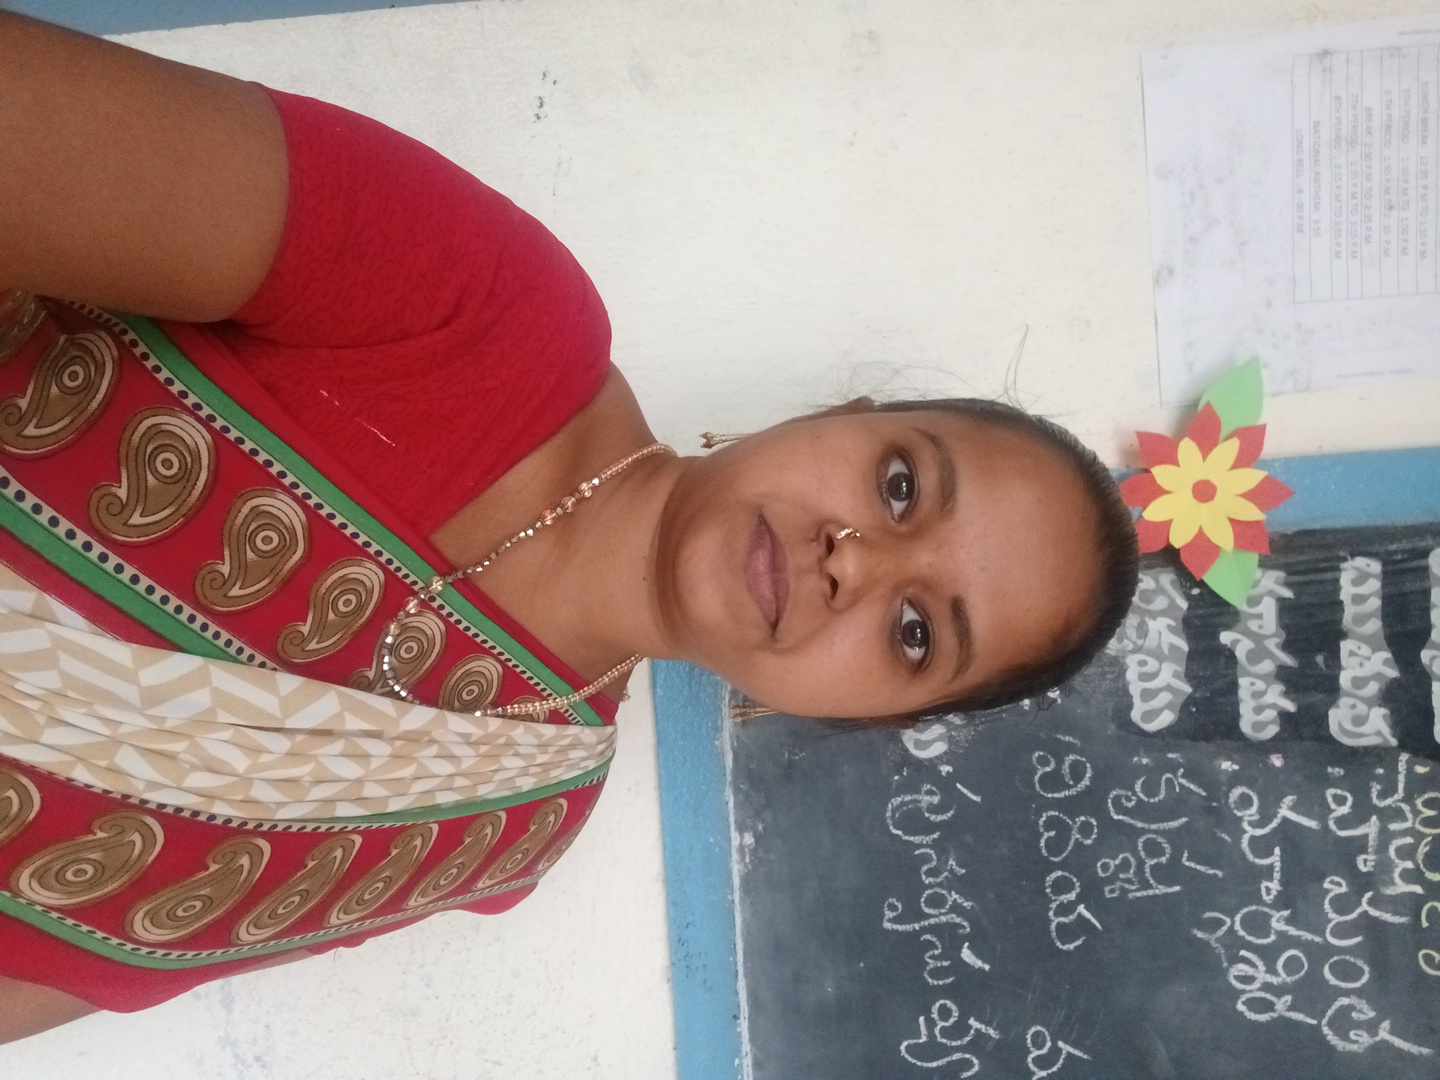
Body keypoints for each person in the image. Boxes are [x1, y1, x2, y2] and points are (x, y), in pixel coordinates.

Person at [0, 13, 1138, 1043]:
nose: (855, 562)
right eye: (899, 486)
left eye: (915, 635)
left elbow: (48, 971)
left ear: (868, 716)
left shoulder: (509, 823)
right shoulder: (484, 310)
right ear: (842, 413)